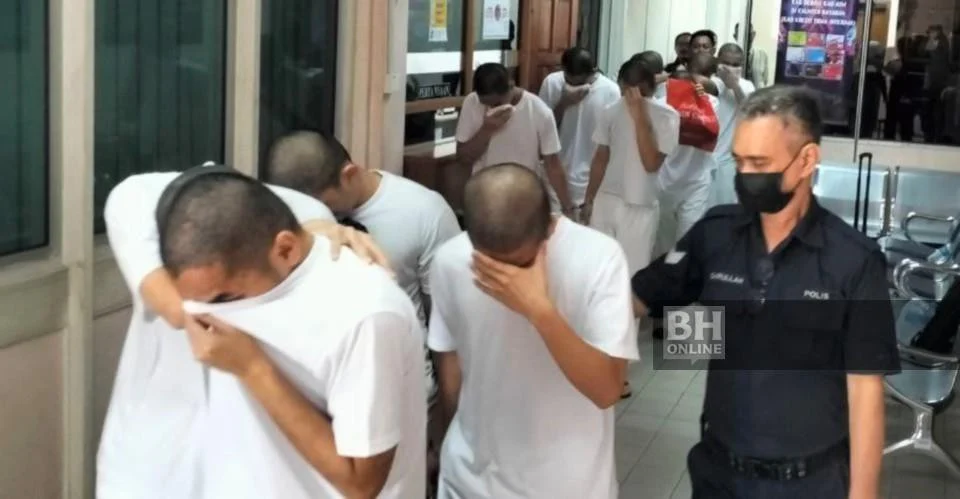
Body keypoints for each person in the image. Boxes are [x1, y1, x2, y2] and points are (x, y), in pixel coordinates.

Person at [632, 86, 900, 498]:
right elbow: (639, 298)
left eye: (759, 163)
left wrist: (863, 494)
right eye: (739, 161)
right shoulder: (715, 234)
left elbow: (865, 390)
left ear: (806, 160)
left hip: (809, 482)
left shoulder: (853, 260)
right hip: (719, 475)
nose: (746, 176)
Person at [97, 165, 389, 499]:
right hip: (153, 448)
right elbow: (180, 311)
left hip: (256, 449)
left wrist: (318, 243)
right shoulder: (138, 197)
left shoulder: (308, 215)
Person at [159, 171, 426, 498]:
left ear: (286, 250)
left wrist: (253, 368)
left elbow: (361, 485)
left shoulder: (366, 314)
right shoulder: (220, 281)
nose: (204, 313)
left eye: (226, 298)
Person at [264, 130, 461, 488]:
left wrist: (445, 428)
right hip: (316, 399)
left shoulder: (424, 213)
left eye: (325, 204)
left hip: (400, 397)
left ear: (349, 174)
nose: (318, 216)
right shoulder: (278, 219)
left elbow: (446, 327)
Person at [428, 164, 637, 498]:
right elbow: (450, 363)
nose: (505, 277)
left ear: (547, 232)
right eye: (489, 264)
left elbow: (607, 390)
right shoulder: (450, 259)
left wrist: (539, 310)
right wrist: (447, 442)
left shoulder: (600, 257)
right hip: (468, 478)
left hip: (568, 485)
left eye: (519, 263)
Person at [584, 57, 680, 275]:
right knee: (600, 269)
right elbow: (601, 157)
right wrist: (589, 199)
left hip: (639, 203)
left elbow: (650, 163)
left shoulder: (667, 116)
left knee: (631, 273)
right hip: (606, 199)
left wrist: (639, 116)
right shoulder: (611, 110)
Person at [455, 62, 575, 216]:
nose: (491, 108)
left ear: (511, 86)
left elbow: (552, 164)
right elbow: (463, 158)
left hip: (523, 198)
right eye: (486, 104)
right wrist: (487, 129)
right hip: (485, 197)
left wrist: (567, 206)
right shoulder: (472, 103)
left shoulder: (540, 112)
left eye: (497, 103)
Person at [654, 52, 720, 260]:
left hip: (689, 182)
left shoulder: (708, 103)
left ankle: (677, 276)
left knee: (682, 241)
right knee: (669, 242)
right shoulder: (662, 103)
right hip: (670, 181)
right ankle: (666, 276)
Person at [538, 47, 621, 209]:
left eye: (581, 82)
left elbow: (612, 139)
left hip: (591, 177)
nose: (575, 85)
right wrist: (564, 103)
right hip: (556, 172)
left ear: (593, 72)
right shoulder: (552, 83)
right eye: (569, 81)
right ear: (563, 70)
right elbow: (542, 130)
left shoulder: (610, 90)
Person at [710, 43, 757, 206]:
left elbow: (750, 111)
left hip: (728, 162)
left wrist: (734, 86)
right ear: (717, 61)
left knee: (725, 207)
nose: (730, 68)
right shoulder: (710, 83)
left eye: (736, 64)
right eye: (726, 63)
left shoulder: (747, 86)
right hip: (703, 161)